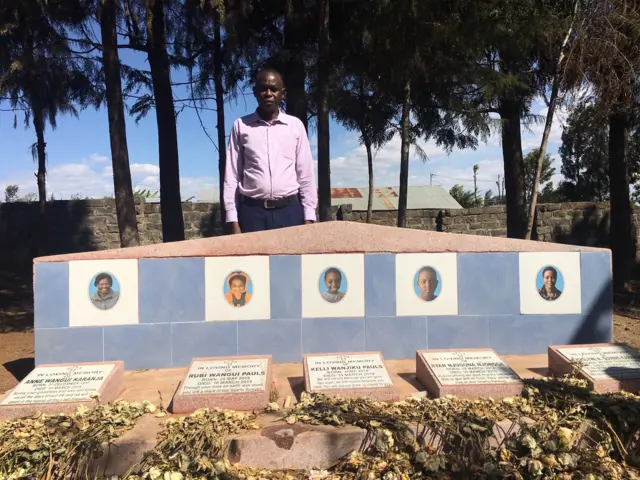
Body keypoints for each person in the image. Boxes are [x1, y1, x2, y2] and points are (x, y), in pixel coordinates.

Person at [223, 68, 318, 234]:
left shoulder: (295, 126)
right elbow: (232, 175)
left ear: (283, 94)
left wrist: (309, 216)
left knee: (291, 260)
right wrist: (233, 218)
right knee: (252, 260)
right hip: (252, 214)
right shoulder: (241, 126)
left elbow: (306, 174)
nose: (268, 93)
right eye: (263, 89)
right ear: (255, 93)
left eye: (273, 89)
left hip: (290, 213)